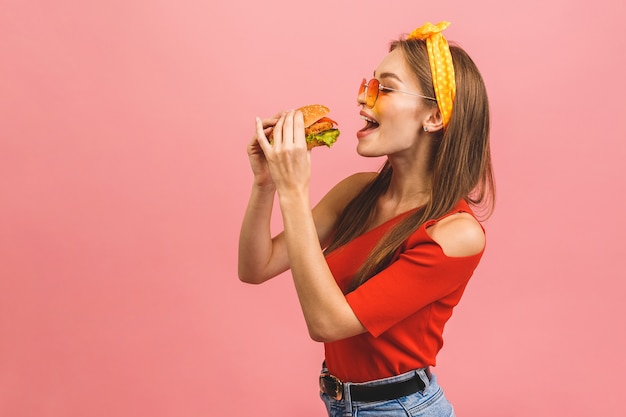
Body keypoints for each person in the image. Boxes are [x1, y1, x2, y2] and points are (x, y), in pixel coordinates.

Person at [238, 21, 495, 417]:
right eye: (367, 84)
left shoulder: (455, 233)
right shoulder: (356, 191)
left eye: (385, 88)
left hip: (401, 409)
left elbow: (326, 322)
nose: (362, 99)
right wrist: (267, 184)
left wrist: (294, 191)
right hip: (340, 402)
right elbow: (256, 267)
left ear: (434, 117)